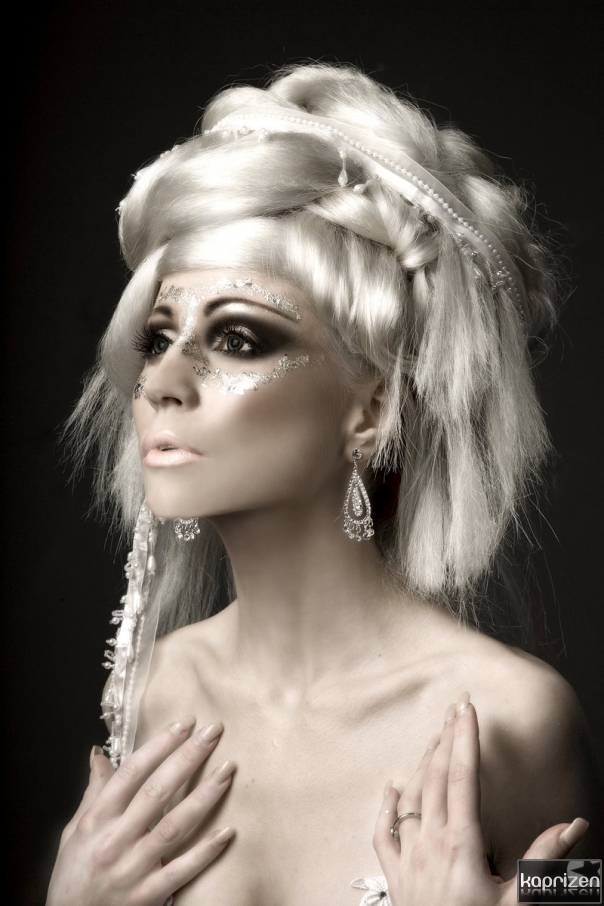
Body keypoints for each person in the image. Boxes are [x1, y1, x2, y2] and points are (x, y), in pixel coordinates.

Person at [47, 63, 602, 906]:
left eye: (238, 339)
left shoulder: (518, 720)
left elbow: (586, 894)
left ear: (371, 408)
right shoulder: (159, 689)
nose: (161, 380)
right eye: (158, 337)